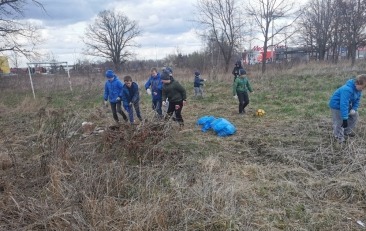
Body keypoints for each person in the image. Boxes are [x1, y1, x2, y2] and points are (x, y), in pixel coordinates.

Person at [329, 74, 366, 143]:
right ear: (357, 83)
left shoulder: (358, 90)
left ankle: (346, 131)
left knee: (355, 115)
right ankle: (338, 137)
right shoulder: (347, 89)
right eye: (363, 87)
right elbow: (343, 104)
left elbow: (357, 100)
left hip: (345, 105)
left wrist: (354, 109)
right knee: (340, 121)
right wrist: (345, 118)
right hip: (336, 106)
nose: (363, 90)